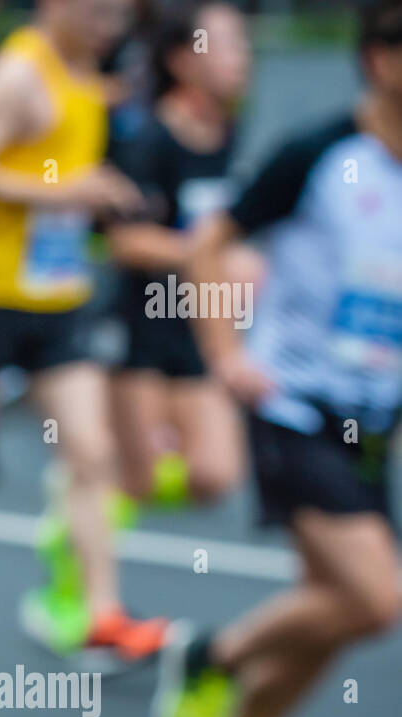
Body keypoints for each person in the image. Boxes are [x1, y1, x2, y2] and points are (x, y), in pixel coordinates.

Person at [156, 0, 402, 717]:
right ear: (380, 60)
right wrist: (225, 354)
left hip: (370, 424)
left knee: (340, 612)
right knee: (374, 598)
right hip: (295, 407)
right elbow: (207, 244)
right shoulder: (319, 155)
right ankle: (208, 659)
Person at [0, 0, 172, 661]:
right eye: (98, 11)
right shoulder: (21, 72)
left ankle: (102, 611)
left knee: (92, 451)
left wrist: (97, 186)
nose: (110, 24)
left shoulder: (86, 70)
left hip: (60, 297)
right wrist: (63, 191)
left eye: (119, 14)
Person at [105, 1, 250, 518]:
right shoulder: (147, 137)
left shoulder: (231, 134)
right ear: (182, 60)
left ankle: (97, 486)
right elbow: (124, 241)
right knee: (139, 475)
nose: (242, 57)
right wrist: (207, 255)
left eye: (243, 43)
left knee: (215, 472)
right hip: (142, 323)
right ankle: (81, 548)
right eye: (227, 44)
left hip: (198, 323)